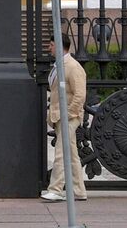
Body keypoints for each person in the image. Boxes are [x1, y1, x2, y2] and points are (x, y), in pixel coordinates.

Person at [41, 31, 87, 202]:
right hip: (61, 116)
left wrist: (68, 114)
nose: (49, 48)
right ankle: (79, 191)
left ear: (60, 46)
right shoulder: (60, 65)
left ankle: (56, 189)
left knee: (61, 152)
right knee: (71, 153)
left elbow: (80, 95)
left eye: (51, 45)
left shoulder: (73, 67)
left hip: (68, 116)